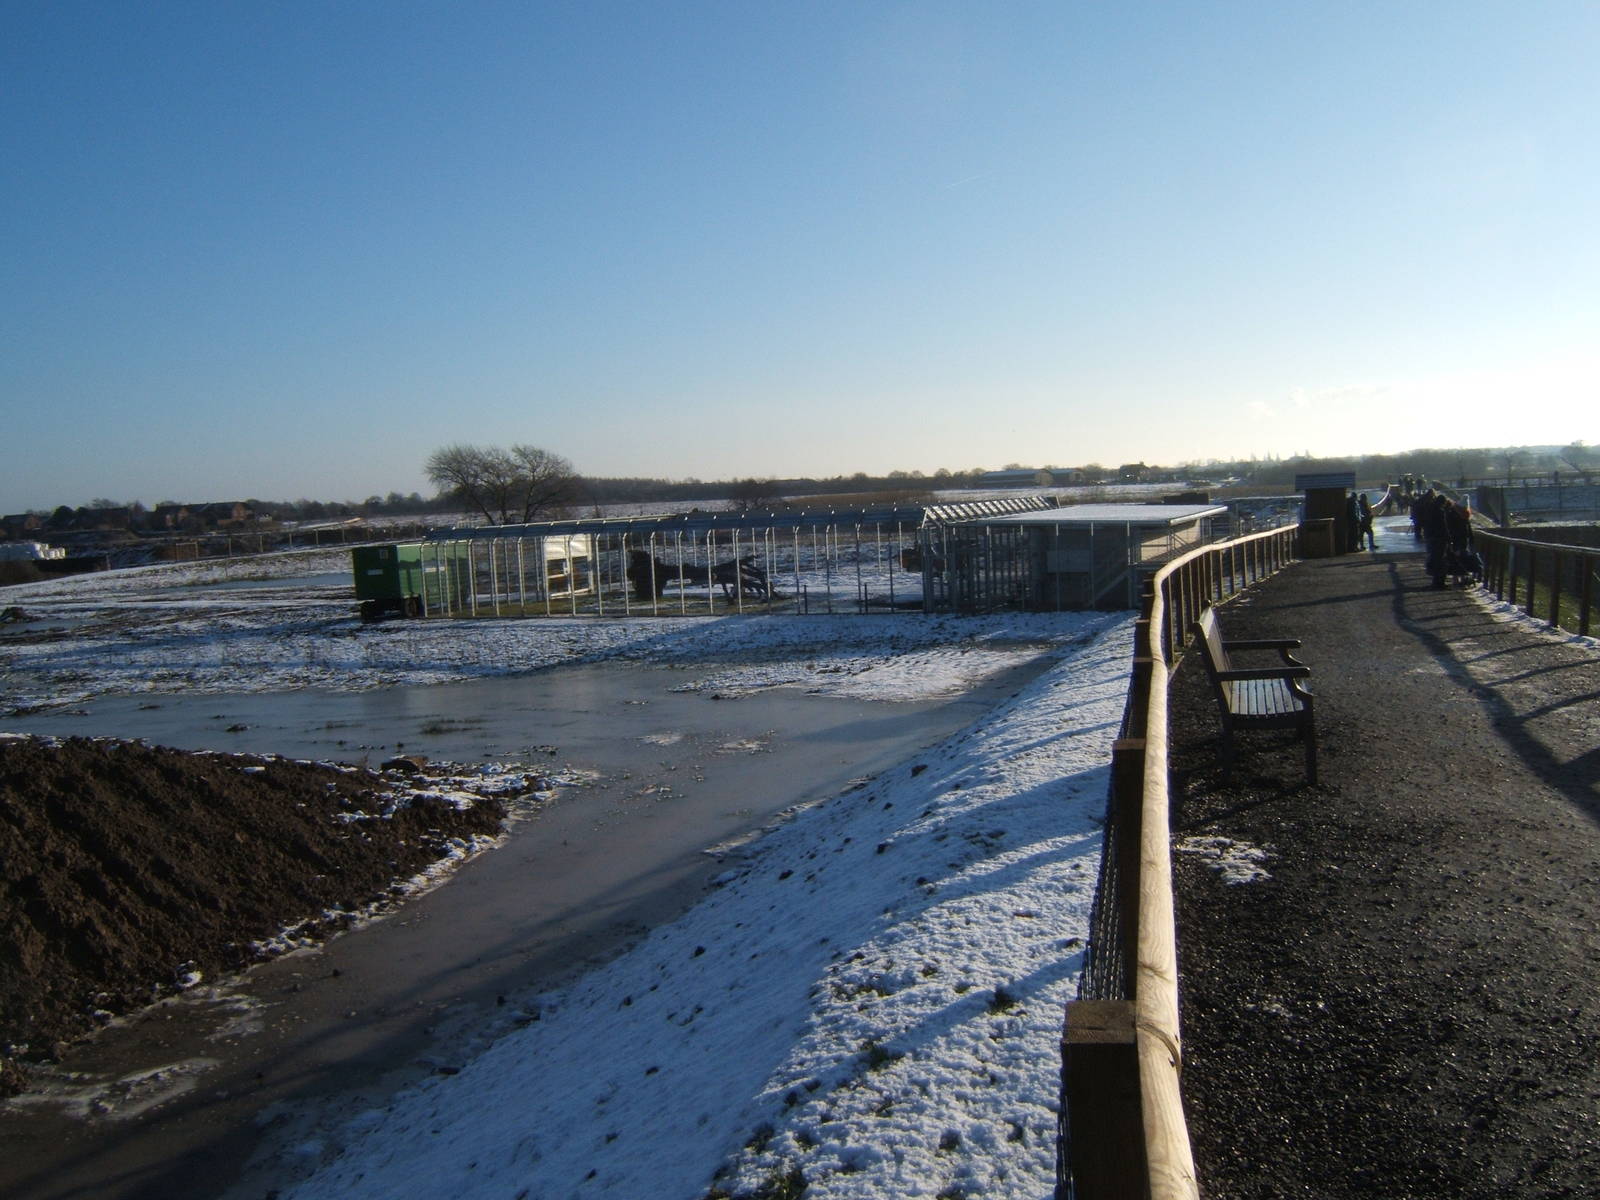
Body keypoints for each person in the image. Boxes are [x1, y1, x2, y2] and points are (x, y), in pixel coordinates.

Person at [1419, 492, 1449, 588]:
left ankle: (1435, 580)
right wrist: (1448, 537)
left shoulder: (1429, 509)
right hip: (1439, 538)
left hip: (1430, 537)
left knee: (1434, 558)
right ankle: (1439, 582)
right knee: (1440, 560)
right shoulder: (1440, 511)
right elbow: (1443, 526)